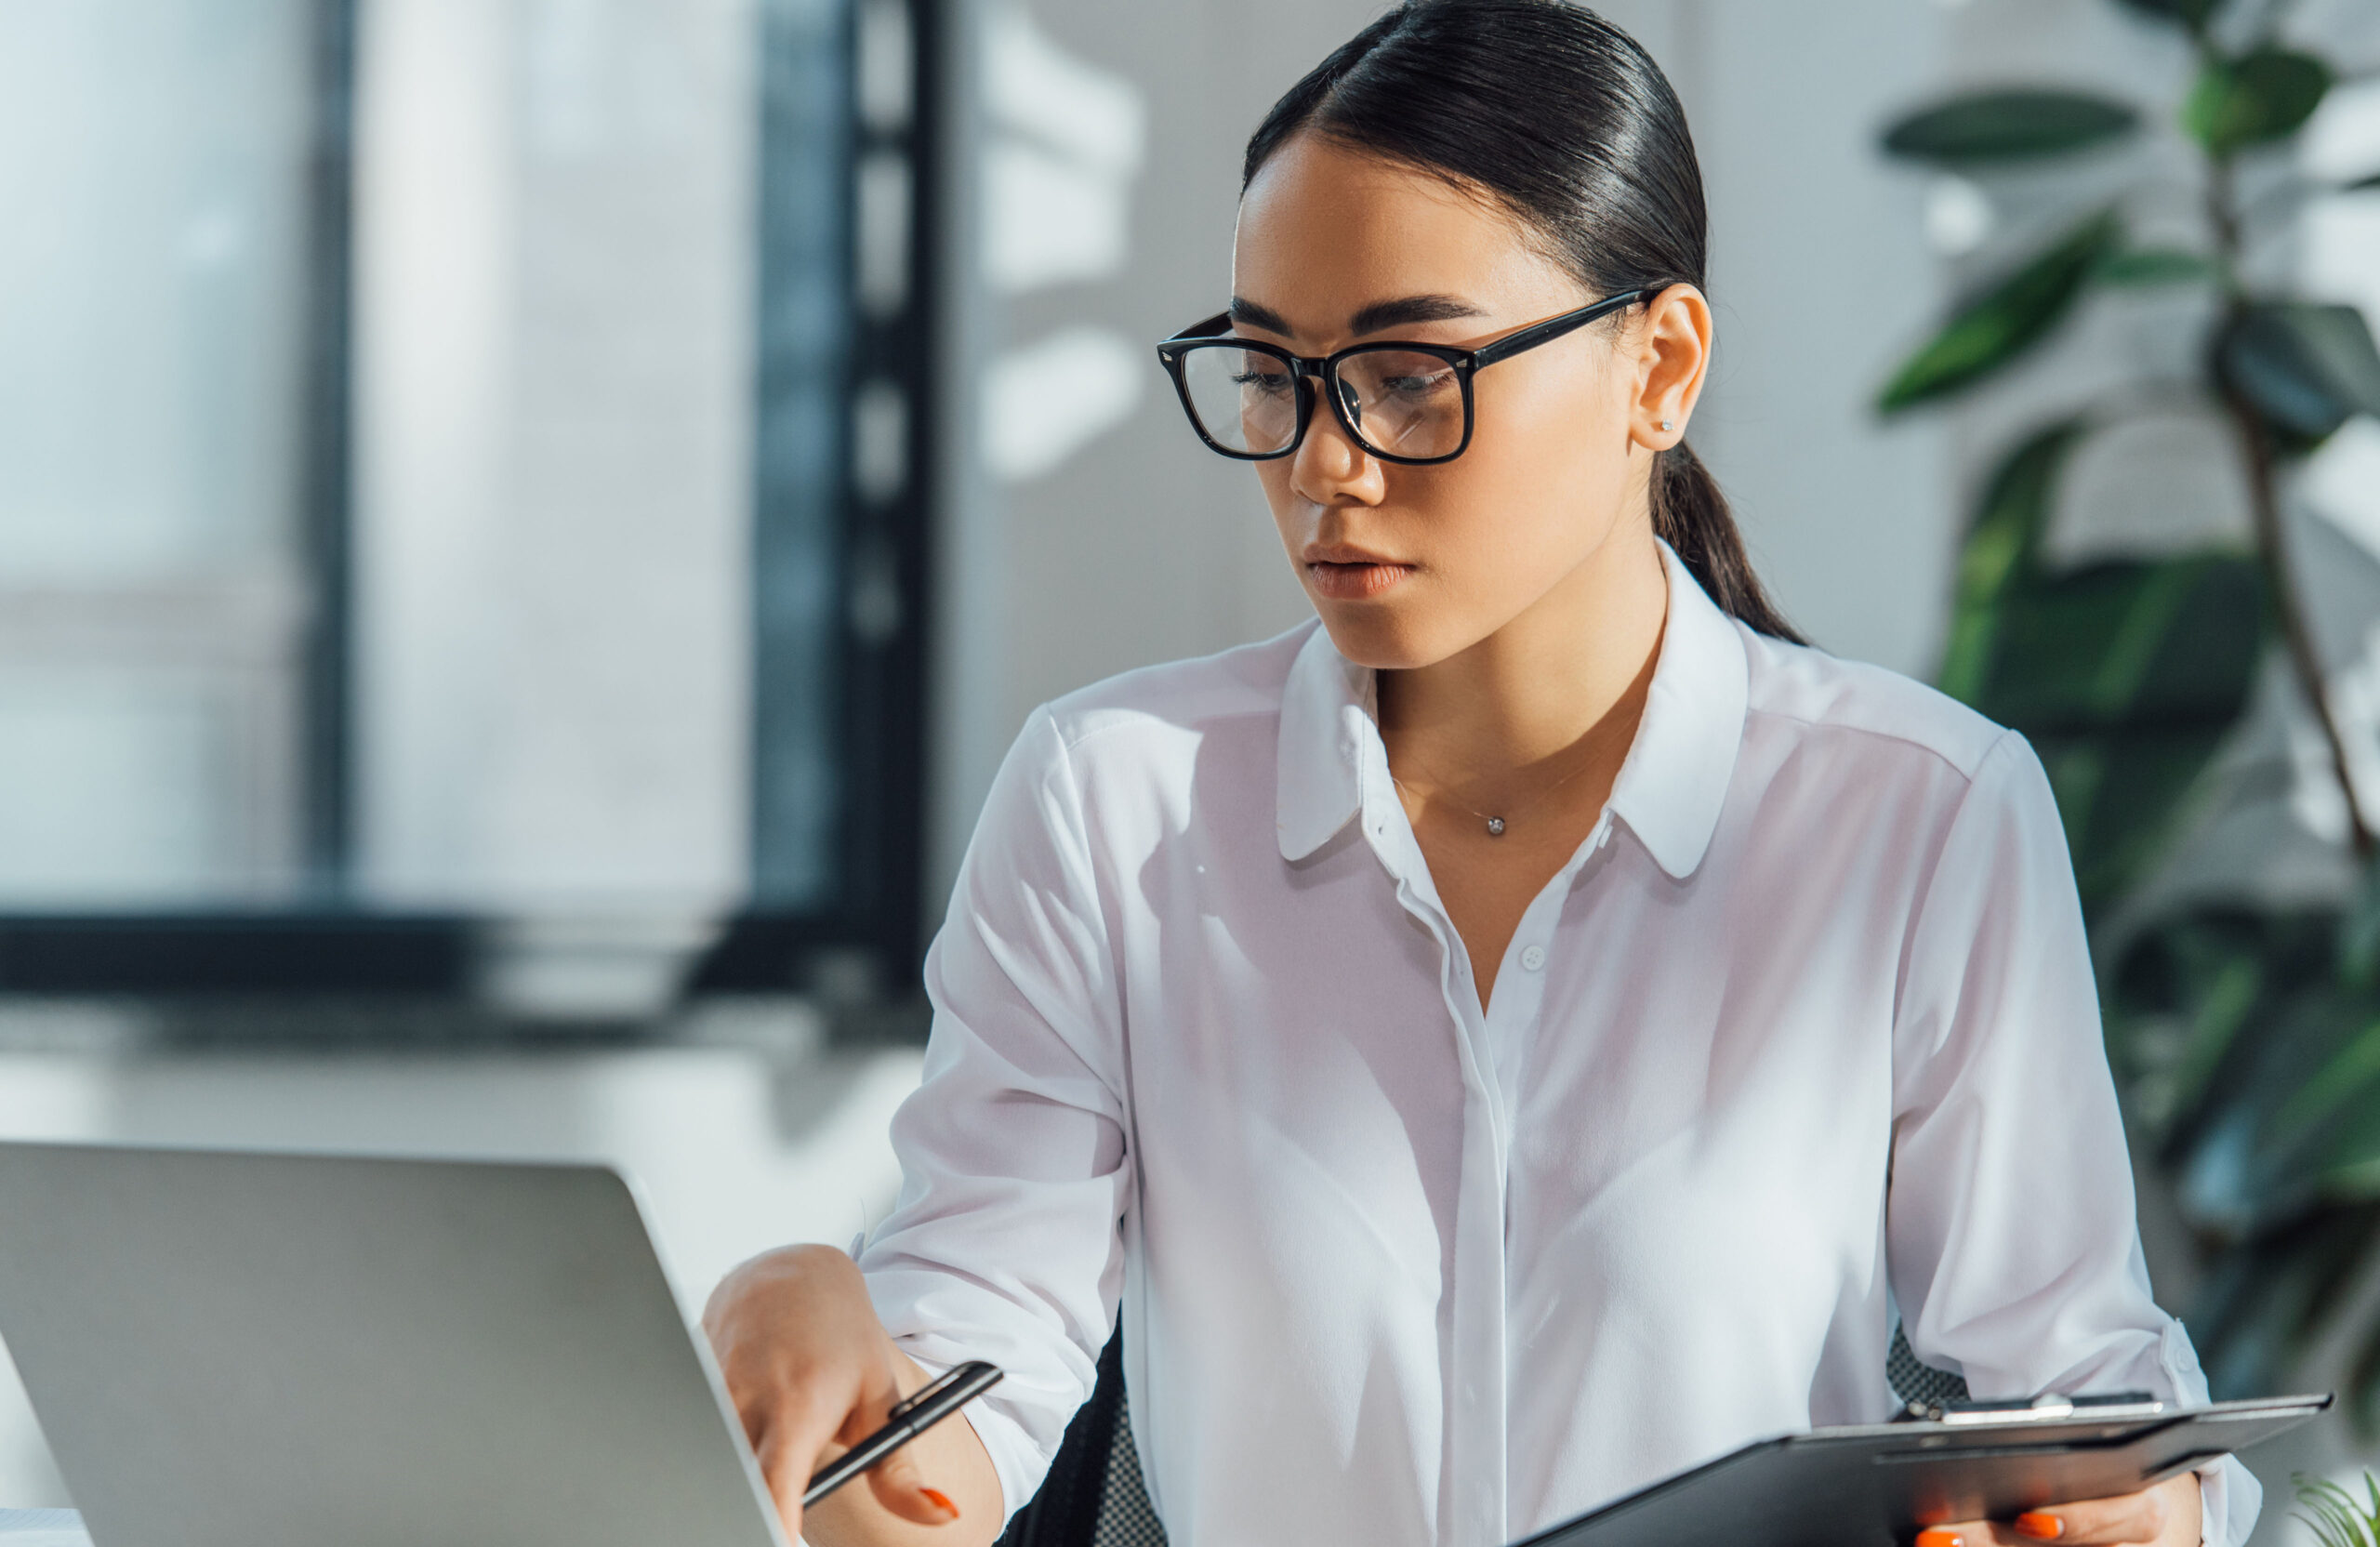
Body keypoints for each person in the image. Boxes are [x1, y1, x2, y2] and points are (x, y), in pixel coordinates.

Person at [702, 5, 2258, 1546]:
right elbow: (966, 1405)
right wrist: (831, 1376)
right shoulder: (1114, 806)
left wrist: (2139, 1509)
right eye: (1270, 372)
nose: (1322, 464)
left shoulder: (1917, 818)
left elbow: (2079, 1393)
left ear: (1658, 367)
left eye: (1408, 372)